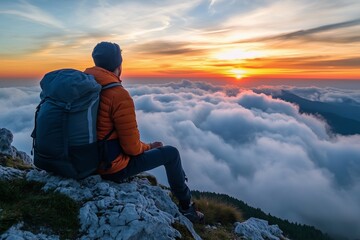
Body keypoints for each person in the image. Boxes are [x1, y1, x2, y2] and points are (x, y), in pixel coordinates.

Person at [84, 41, 204, 223]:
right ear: (119, 65)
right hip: (107, 167)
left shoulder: (82, 85)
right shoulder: (118, 94)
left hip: (79, 159)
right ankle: (187, 207)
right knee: (171, 153)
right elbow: (132, 148)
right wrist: (149, 147)